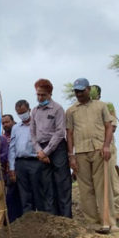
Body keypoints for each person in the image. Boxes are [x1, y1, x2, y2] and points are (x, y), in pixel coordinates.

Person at [66, 78, 118, 233]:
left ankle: (109, 221)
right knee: (85, 189)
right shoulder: (71, 111)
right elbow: (69, 133)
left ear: (88, 89)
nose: (79, 94)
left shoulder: (101, 106)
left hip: (99, 150)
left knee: (103, 187)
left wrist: (107, 146)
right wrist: (71, 155)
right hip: (81, 153)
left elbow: (109, 127)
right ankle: (93, 223)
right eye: (76, 91)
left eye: (82, 90)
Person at [30, 78, 72, 217]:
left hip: (57, 148)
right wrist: (39, 151)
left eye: (43, 95)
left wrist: (46, 151)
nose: (40, 97)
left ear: (50, 94)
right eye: (38, 94)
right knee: (47, 186)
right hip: (41, 150)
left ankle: (66, 219)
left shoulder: (58, 109)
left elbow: (60, 132)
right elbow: (32, 133)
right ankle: (52, 219)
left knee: (62, 184)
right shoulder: (34, 111)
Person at [91, 85, 119, 217]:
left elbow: (113, 127)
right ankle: (103, 210)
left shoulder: (107, 106)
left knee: (111, 178)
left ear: (98, 94)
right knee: (97, 181)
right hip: (92, 148)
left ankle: (116, 210)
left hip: (107, 146)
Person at [9, 100, 43, 213]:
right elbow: (12, 148)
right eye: (19, 113)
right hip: (20, 163)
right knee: (24, 192)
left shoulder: (37, 124)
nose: (22, 115)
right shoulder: (16, 128)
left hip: (35, 161)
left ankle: (41, 215)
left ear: (29, 110)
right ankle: (28, 217)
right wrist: (12, 168)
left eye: (23, 112)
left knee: (38, 190)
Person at [2, 114, 23, 222]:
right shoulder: (2, 138)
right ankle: (11, 220)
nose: (5, 125)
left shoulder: (19, 133)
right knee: (10, 196)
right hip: (8, 172)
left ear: (13, 122)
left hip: (22, 168)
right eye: (3, 123)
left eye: (7, 122)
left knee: (23, 195)